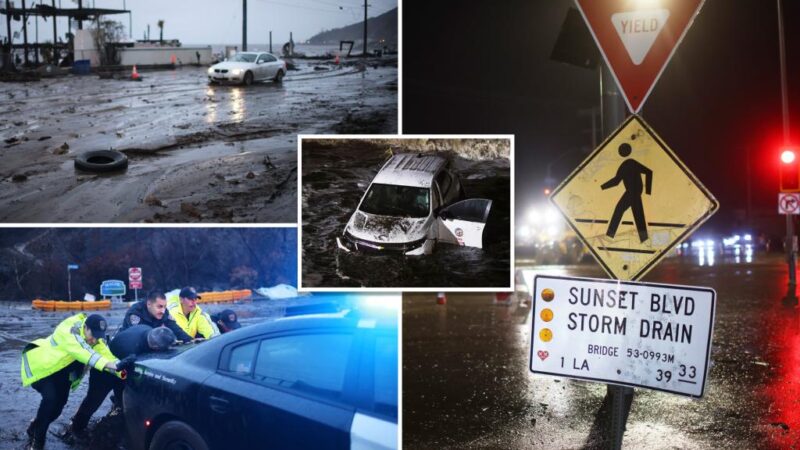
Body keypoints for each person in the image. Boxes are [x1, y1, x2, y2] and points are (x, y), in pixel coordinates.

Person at [20, 313, 133, 450]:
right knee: (50, 399)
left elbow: (105, 354)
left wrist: (121, 369)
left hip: (62, 374)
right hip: (43, 369)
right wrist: (112, 366)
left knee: (57, 408)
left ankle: (34, 426)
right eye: (93, 335)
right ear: (85, 327)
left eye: (98, 337)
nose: (94, 340)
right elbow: (86, 354)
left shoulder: (95, 338)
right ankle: (38, 443)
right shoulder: (69, 330)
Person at [67, 325, 176, 437]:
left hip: (123, 366)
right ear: (155, 347)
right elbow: (124, 371)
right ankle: (76, 429)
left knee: (123, 401)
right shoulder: (129, 348)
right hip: (105, 371)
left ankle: (119, 421)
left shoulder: (147, 328)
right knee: (93, 401)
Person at [120, 290, 193, 343]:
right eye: (159, 307)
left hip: (150, 342)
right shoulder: (135, 312)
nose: (163, 311)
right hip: (126, 343)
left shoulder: (163, 311)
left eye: (164, 307)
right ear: (149, 304)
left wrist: (191, 340)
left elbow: (175, 328)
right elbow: (137, 337)